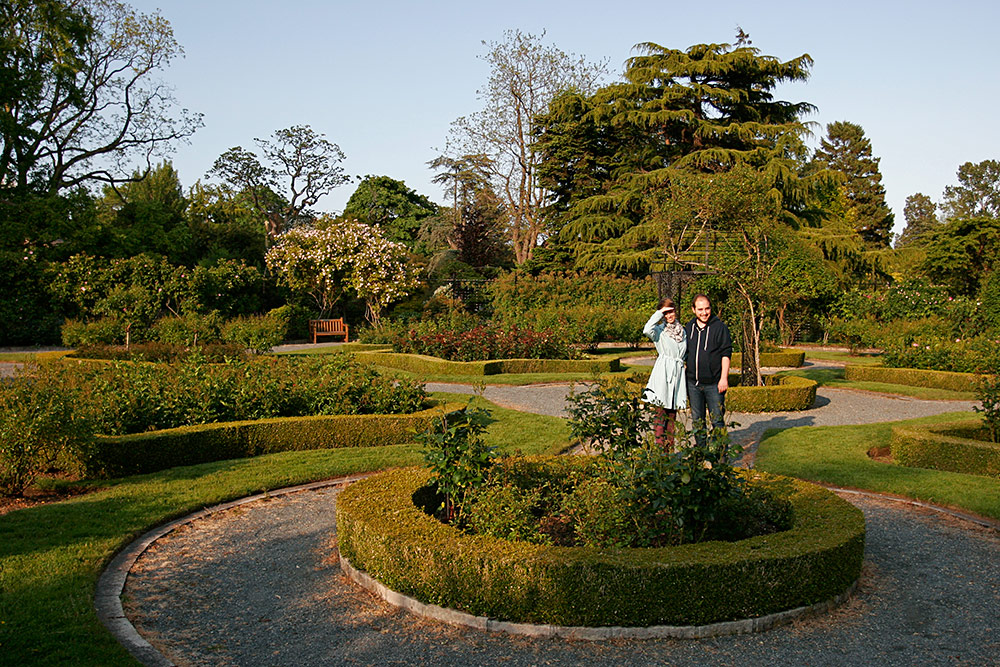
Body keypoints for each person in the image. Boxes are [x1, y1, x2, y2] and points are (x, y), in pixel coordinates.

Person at [684, 294, 732, 445]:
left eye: (707, 308)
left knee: (717, 421)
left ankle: (719, 456)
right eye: (700, 309)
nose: (704, 313)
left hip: (714, 384)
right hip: (693, 384)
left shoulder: (720, 328)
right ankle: (701, 453)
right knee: (698, 422)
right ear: (693, 310)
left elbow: (726, 353)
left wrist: (724, 378)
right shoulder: (689, 327)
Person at [642, 298, 687, 449]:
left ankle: (670, 451)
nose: (669, 315)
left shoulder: (683, 331)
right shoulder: (659, 331)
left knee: (672, 416)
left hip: (677, 375)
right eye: (666, 313)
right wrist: (659, 313)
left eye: (671, 311)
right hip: (663, 374)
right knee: (661, 414)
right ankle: (661, 451)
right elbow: (646, 329)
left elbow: (684, 353)